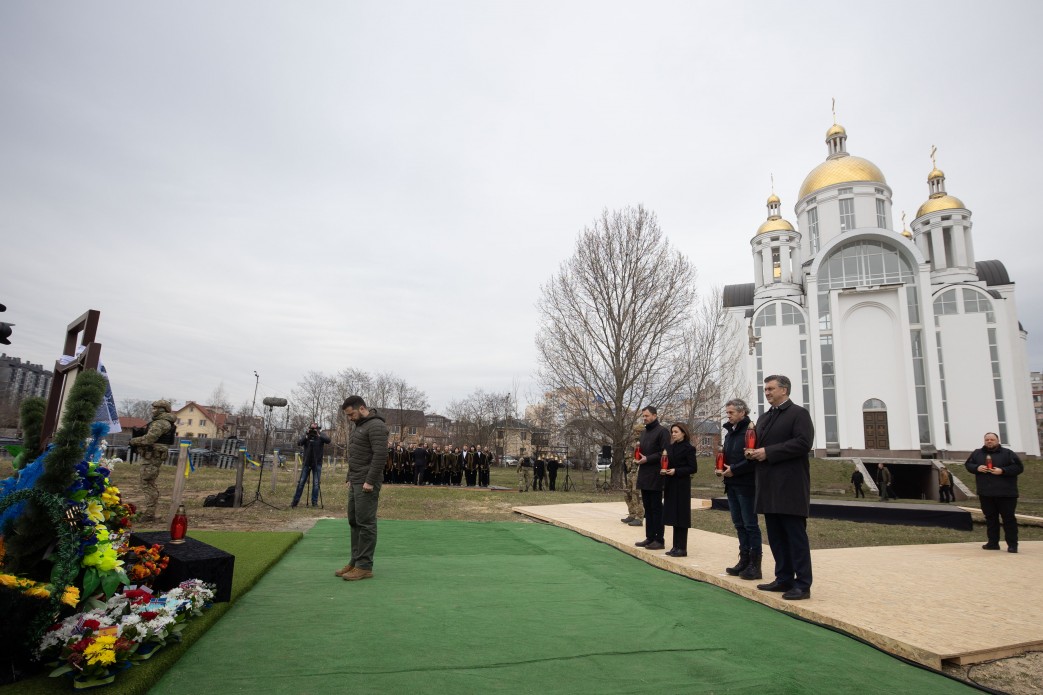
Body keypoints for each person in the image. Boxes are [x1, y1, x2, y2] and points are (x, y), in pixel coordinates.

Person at [746, 375, 814, 601]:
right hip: (768, 486)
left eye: (771, 388)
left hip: (790, 486)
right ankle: (783, 578)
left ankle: (802, 584)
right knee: (775, 536)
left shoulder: (798, 414)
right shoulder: (765, 418)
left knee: (795, 537)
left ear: (784, 390)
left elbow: (803, 443)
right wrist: (753, 452)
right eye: (765, 389)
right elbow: (758, 444)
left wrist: (768, 452)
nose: (766, 392)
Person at [335, 396, 388, 581]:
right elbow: (357, 453)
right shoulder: (360, 425)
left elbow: (380, 455)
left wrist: (370, 481)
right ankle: (355, 561)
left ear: (362, 408)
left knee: (366, 522)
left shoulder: (376, 426)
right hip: (356, 480)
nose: (350, 418)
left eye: (351, 414)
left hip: (367, 482)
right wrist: (350, 477)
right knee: (354, 521)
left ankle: (364, 566)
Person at [720, 398, 763, 579]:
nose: (728, 416)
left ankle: (755, 564)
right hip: (731, 484)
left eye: (731, 412)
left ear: (742, 412)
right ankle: (743, 559)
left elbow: (752, 458)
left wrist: (734, 470)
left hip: (746, 484)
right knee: (738, 524)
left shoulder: (751, 431)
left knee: (750, 524)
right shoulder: (730, 433)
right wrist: (722, 468)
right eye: (727, 412)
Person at [965, 432, 1023, 553]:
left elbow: (1018, 467)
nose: (989, 441)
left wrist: (1003, 470)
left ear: (997, 440)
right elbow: (968, 464)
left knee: (1008, 519)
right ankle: (993, 543)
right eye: (987, 440)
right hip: (986, 493)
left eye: (992, 439)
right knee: (991, 519)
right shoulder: (977, 453)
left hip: (1006, 494)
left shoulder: (1007, 453)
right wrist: (976, 468)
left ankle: (1012, 545)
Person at [128, 399, 177, 522]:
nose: (153, 410)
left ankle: (150, 513)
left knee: (147, 483)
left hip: (152, 456)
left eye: (155, 408)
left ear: (162, 410)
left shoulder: (160, 423)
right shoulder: (164, 422)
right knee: (148, 482)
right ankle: (150, 512)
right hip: (153, 455)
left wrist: (133, 441)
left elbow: (149, 439)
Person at [635, 406, 670, 551]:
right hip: (644, 474)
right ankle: (649, 537)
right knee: (647, 508)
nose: (645, 418)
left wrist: (647, 459)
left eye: (647, 416)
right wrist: (638, 458)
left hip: (656, 475)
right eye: (643, 416)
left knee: (656, 508)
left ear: (655, 416)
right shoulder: (643, 433)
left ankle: (659, 539)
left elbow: (665, 452)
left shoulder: (662, 432)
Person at [661, 422, 697, 557]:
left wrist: (676, 471)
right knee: (673, 515)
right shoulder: (669, 448)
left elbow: (693, 468)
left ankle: (682, 547)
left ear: (683, 432)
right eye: (672, 432)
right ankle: (675, 546)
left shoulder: (689, 448)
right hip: (670, 484)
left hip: (682, 484)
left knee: (681, 516)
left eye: (676, 431)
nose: (673, 434)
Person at [292, 422, 330, 508]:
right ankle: (295, 502)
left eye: (315, 429)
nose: (313, 430)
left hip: (317, 463)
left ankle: (314, 502)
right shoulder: (307, 436)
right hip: (306, 463)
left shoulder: (321, 436)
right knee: (301, 482)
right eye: (312, 428)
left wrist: (318, 435)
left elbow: (328, 441)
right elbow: (299, 443)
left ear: (318, 429)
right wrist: (306, 436)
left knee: (316, 483)